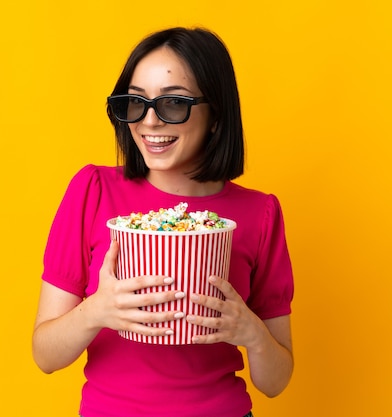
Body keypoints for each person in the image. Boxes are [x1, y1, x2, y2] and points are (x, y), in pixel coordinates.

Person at [32, 27, 294, 417]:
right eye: (135, 104)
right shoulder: (93, 190)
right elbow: (45, 356)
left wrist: (252, 333)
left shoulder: (261, 214)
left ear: (216, 115)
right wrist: (99, 311)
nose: (150, 122)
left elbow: (275, 381)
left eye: (173, 104)